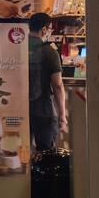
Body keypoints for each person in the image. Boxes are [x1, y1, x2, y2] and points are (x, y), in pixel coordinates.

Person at [27, 12, 68, 150]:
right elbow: (57, 85)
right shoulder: (50, 52)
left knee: (21, 153)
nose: (50, 31)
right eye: (50, 28)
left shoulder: (18, 48)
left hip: (20, 110)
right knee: (45, 154)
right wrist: (62, 115)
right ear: (44, 29)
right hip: (43, 111)